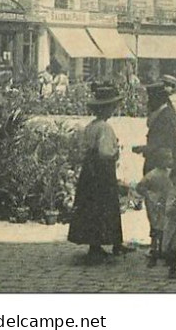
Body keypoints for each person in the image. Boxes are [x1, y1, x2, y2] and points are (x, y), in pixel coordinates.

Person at [67, 84, 125, 263]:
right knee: (102, 205)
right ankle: (99, 243)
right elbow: (105, 152)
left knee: (90, 205)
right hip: (101, 170)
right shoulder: (105, 128)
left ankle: (95, 244)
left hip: (89, 169)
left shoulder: (91, 126)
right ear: (106, 108)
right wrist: (115, 153)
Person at [134, 147, 174, 267]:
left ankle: (164, 249)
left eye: (170, 158)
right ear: (159, 160)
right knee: (156, 226)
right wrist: (149, 195)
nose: (170, 161)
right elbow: (140, 187)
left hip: (166, 202)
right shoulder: (152, 175)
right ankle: (155, 250)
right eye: (167, 159)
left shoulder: (170, 173)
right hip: (155, 202)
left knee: (165, 225)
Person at [133, 79, 176, 174]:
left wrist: (144, 148)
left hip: (163, 165)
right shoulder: (161, 112)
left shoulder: (166, 116)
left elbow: (162, 143)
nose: (148, 101)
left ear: (158, 99)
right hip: (158, 163)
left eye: (151, 98)